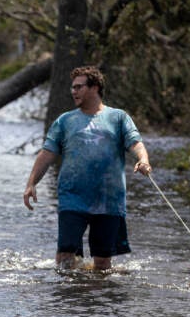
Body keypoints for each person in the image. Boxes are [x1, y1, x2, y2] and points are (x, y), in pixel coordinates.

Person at [23, 66, 152, 271]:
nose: (73, 91)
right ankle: (68, 299)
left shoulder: (118, 118)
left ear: (95, 87)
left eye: (79, 87)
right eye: (72, 87)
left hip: (109, 200)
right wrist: (31, 183)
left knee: (102, 263)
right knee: (65, 256)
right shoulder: (65, 121)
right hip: (72, 198)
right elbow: (47, 153)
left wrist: (143, 159)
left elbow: (136, 143)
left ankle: (97, 300)